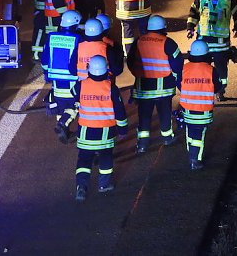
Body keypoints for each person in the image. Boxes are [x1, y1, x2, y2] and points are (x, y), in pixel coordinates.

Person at [69, 55, 128, 202]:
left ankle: (81, 187)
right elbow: (120, 111)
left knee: (84, 159)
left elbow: (73, 95)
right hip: (105, 133)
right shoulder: (111, 88)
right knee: (106, 158)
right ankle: (104, 185)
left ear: (89, 69)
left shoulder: (81, 85)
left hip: (85, 132)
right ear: (106, 70)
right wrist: (122, 130)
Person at [127, 15, 184, 154]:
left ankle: (142, 144)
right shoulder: (168, 42)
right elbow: (178, 63)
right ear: (163, 28)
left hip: (143, 88)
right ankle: (167, 138)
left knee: (144, 116)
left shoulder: (138, 41)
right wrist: (176, 78)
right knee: (164, 114)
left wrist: (137, 74)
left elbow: (130, 61)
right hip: (163, 89)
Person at [186, 0, 237, 100]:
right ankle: (203, 90)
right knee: (202, 68)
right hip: (203, 42)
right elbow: (194, 12)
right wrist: (190, 28)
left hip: (221, 45)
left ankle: (220, 91)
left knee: (221, 70)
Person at [175, 40, 221, 170]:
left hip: (187, 110)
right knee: (199, 135)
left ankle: (192, 154)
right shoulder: (211, 70)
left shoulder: (184, 68)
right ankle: (195, 160)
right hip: (203, 111)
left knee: (190, 131)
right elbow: (218, 87)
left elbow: (179, 84)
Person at [41, 9, 81, 143]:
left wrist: (46, 74)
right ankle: (63, 123)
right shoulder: (77, 39)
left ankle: (64, 130)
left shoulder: (52, 37)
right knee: (75, 105)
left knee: (61, 106)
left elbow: (45, 59)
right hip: (72, 80)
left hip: (56, 81)